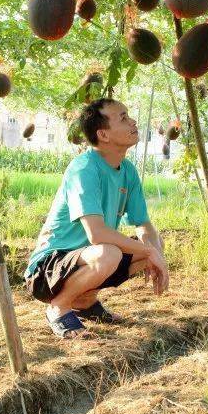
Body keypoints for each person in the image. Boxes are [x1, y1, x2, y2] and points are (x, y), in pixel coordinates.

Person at [25, 98, 169, 339]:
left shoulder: (128, 171)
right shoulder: (84, 169)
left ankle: (85, 302)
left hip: (87, 258)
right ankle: (59, 307)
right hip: (48, 269)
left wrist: (155, 253)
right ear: (103, 134)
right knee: (109, 252)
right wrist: (149, 253)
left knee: (155, 244)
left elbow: (143, 224)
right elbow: (97, 234)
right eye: (123, 117)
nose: (133, 122)